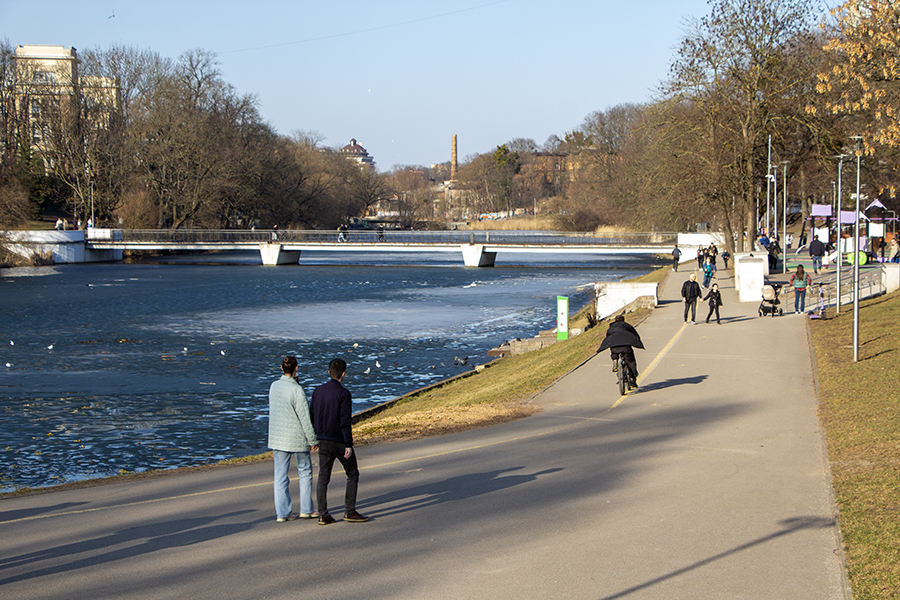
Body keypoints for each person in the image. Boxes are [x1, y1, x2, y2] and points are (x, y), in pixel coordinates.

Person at [311, 358, 369, 525]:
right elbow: (345, 421)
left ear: (329, 372)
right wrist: (348, 444)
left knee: (323, 476)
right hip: (338, 440)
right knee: (352, 473)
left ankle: (323, 513)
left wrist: (315, 436)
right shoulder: (344, 394)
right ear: (343, 374)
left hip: (323, 439)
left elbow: (313, 415)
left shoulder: (318, 391)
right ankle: (349, 510)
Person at [268, 355, 319, 522]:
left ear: (282, 369)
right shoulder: (297, 390)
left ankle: (283, 513)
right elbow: (304, 417)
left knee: (280, 476)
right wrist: (312, 440)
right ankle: (306, 509)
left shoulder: (274, 386)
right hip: (297, 437)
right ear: (296, 368)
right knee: (305, 472)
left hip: (278, 437)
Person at [596, 315, 644, 385]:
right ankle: (632, 377)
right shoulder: (627, 326)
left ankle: (615, 360)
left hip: (614, 346)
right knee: (631, 361)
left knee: (614, 352)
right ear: (623, 320)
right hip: (626, 346)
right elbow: (635, 334)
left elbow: (608, 337)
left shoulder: (611, 328)